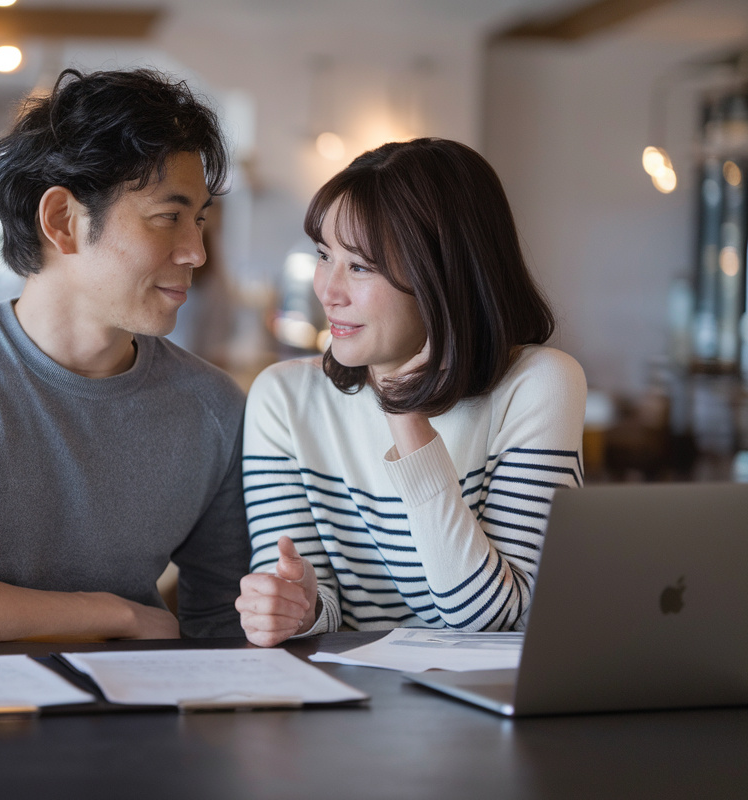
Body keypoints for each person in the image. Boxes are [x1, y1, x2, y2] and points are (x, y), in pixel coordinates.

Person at [0, 68, 250, 645]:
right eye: (169, 217)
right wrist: (122, 614)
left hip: (132, 723)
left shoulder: (213, 407)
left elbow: (223, 627)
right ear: (62, 220)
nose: (196, 252)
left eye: (200, 219)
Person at [236, 138, 586, 647]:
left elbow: (495, 622)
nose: (327, 291)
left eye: (359, 266)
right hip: (343, 703)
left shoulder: (539, 384)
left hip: (489, 713)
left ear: (441, 276)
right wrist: (299, 608)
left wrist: (405, 413)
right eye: (323, 256)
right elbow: (313, 604)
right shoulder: (284, 400)